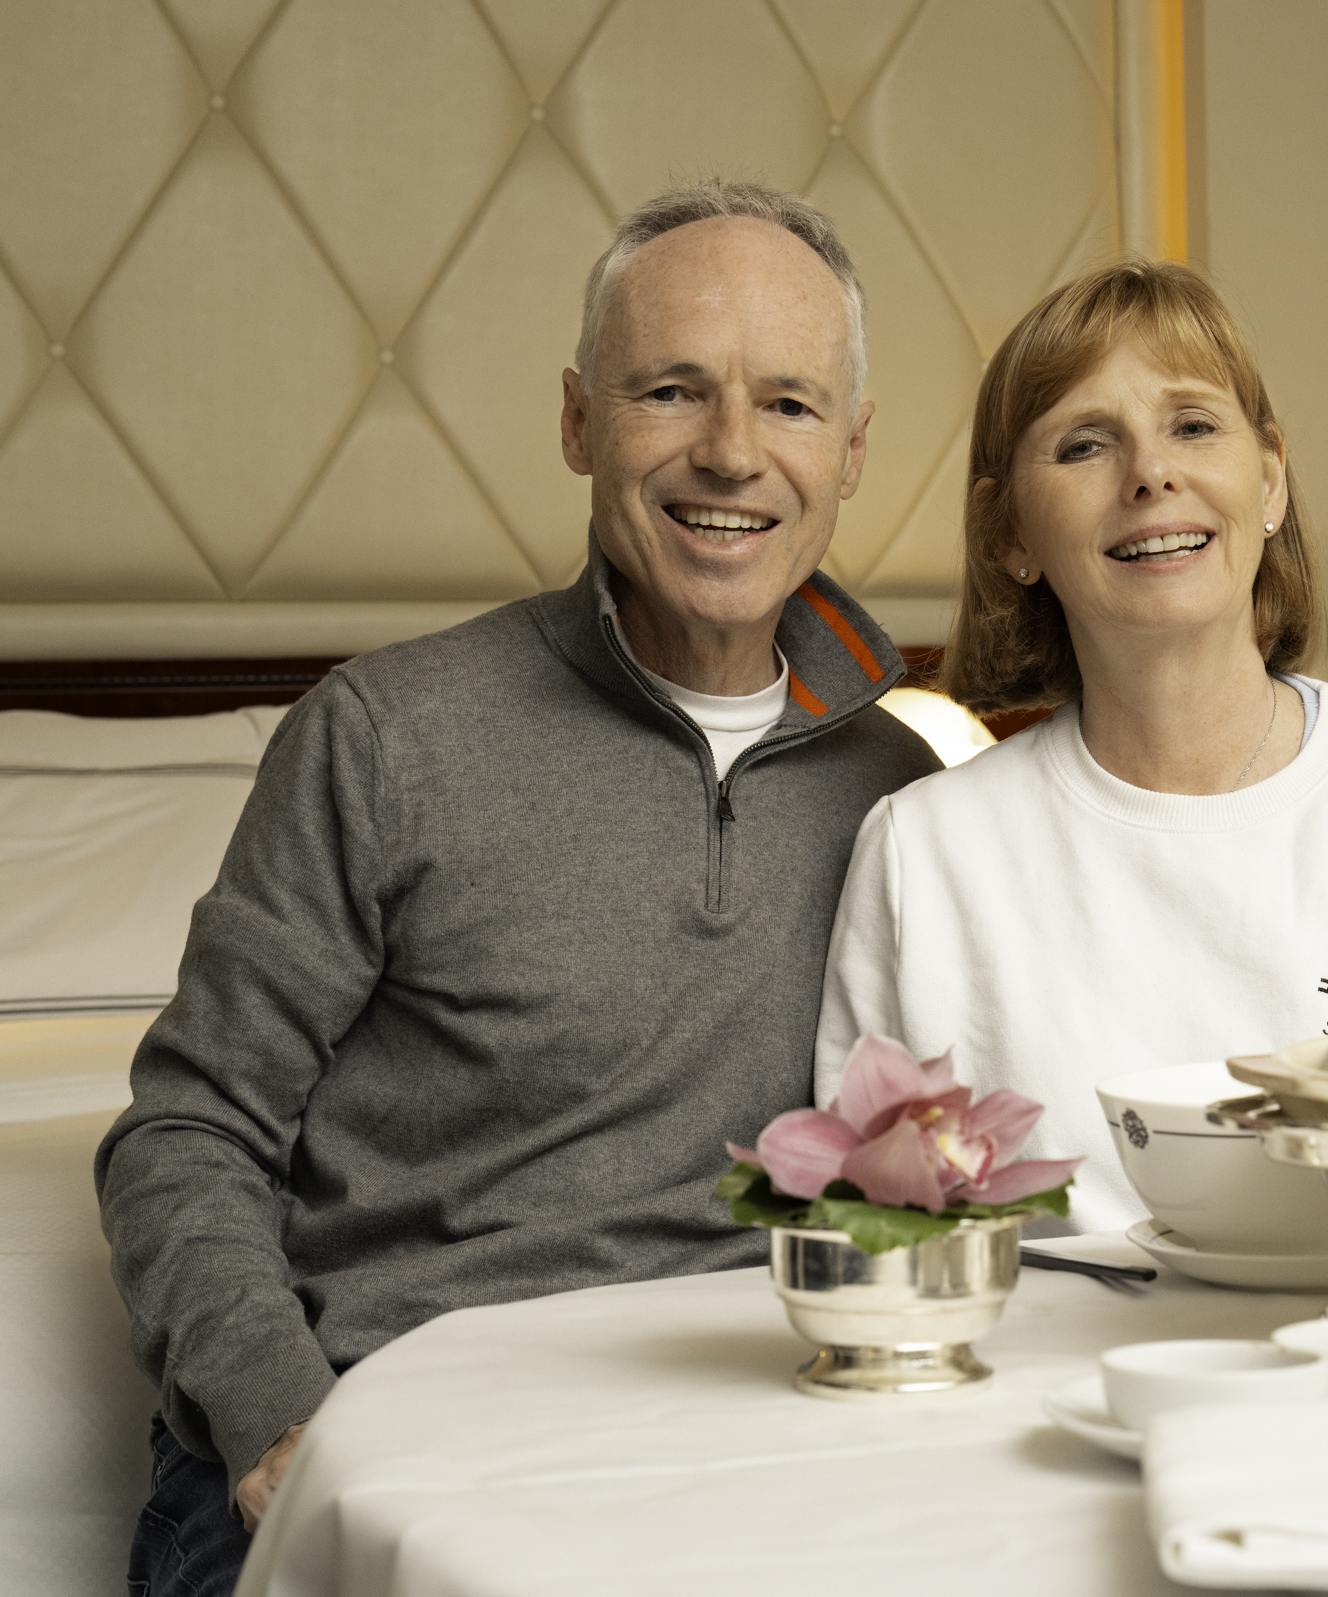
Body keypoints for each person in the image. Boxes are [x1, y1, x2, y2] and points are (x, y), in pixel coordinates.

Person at [99, 181, 940, 1595]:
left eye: (789, 405)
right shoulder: (384, 735)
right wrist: (284, 1425)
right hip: (378, 1439)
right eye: (672, 391)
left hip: (733, 1463)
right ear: (577, 423)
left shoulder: (908, 796)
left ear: (852, 451)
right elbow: (185, 1132)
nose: (731, 453)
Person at [814, 261, 1328, 1232]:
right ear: (1010, 532)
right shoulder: (927, 855)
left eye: (1193, 425)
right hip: (1052, 1372)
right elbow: (875, 1234)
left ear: (1269, 480)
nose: (1150, 473)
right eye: (1086, 444)